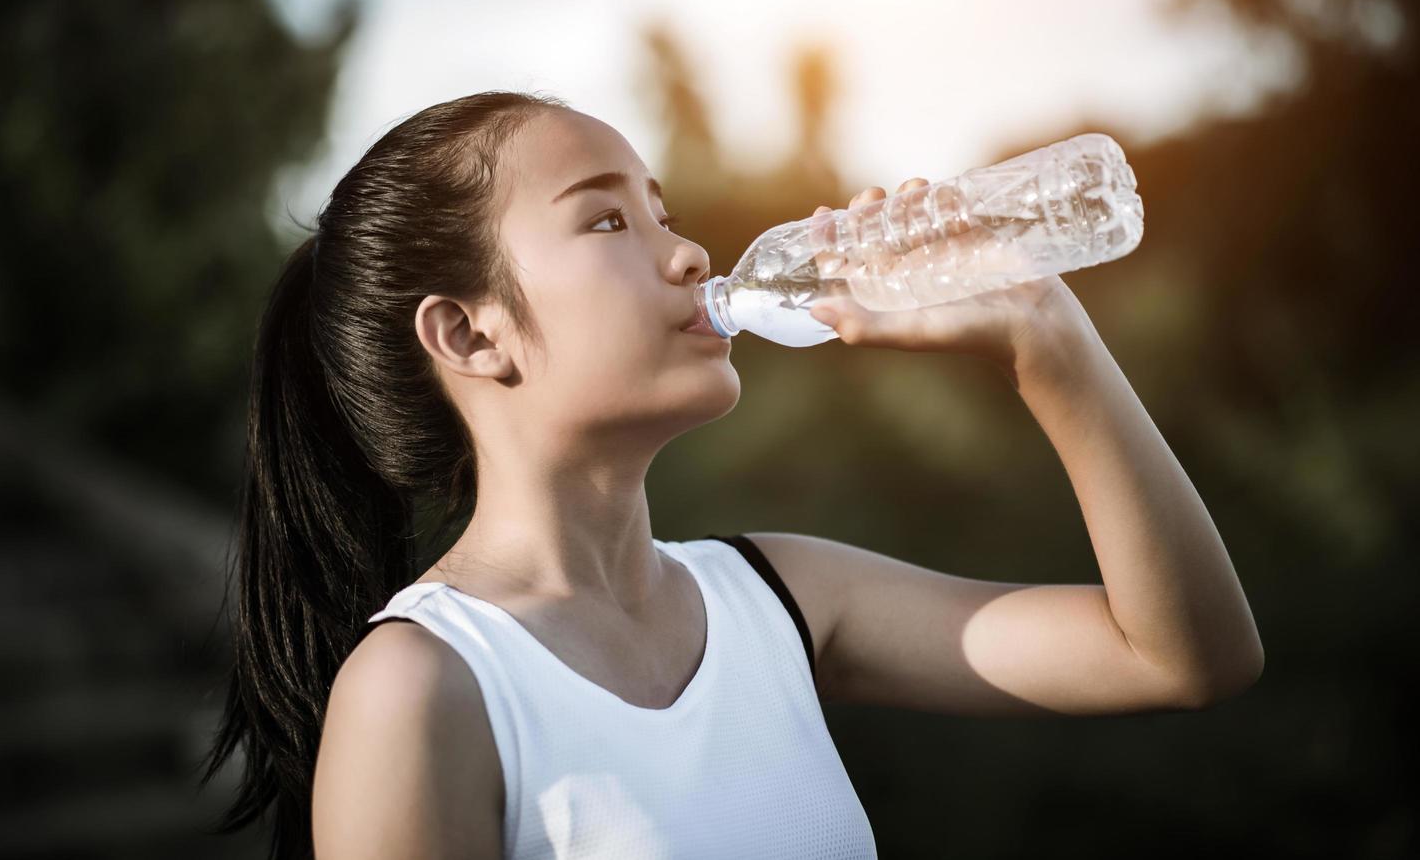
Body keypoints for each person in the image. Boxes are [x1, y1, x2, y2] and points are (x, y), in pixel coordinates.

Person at [199, 90, 1265, 859]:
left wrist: (1046, 341)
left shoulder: (782, 598)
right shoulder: (422, 689)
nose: (688, 253)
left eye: (663, 210)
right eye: (608, 218)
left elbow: (1180, 655)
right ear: (469, 334)